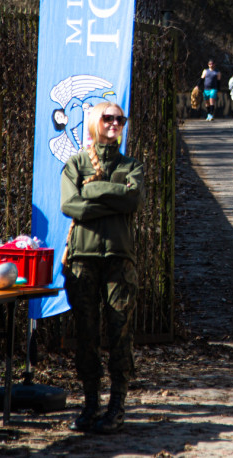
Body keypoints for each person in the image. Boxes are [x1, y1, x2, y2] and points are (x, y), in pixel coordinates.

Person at [61, 102, 145, 434]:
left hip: (119, 260)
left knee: (119, 333)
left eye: (119, 119)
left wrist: (92, 190)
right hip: (83, 259)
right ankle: (90, 405)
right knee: (86, 333)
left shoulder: (132, 165)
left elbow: (133, 200)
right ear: (96, 122)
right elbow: (70, 205)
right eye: (108, 118)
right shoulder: (76, 163)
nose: (114, 124)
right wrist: (114, 194)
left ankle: (117, 407)